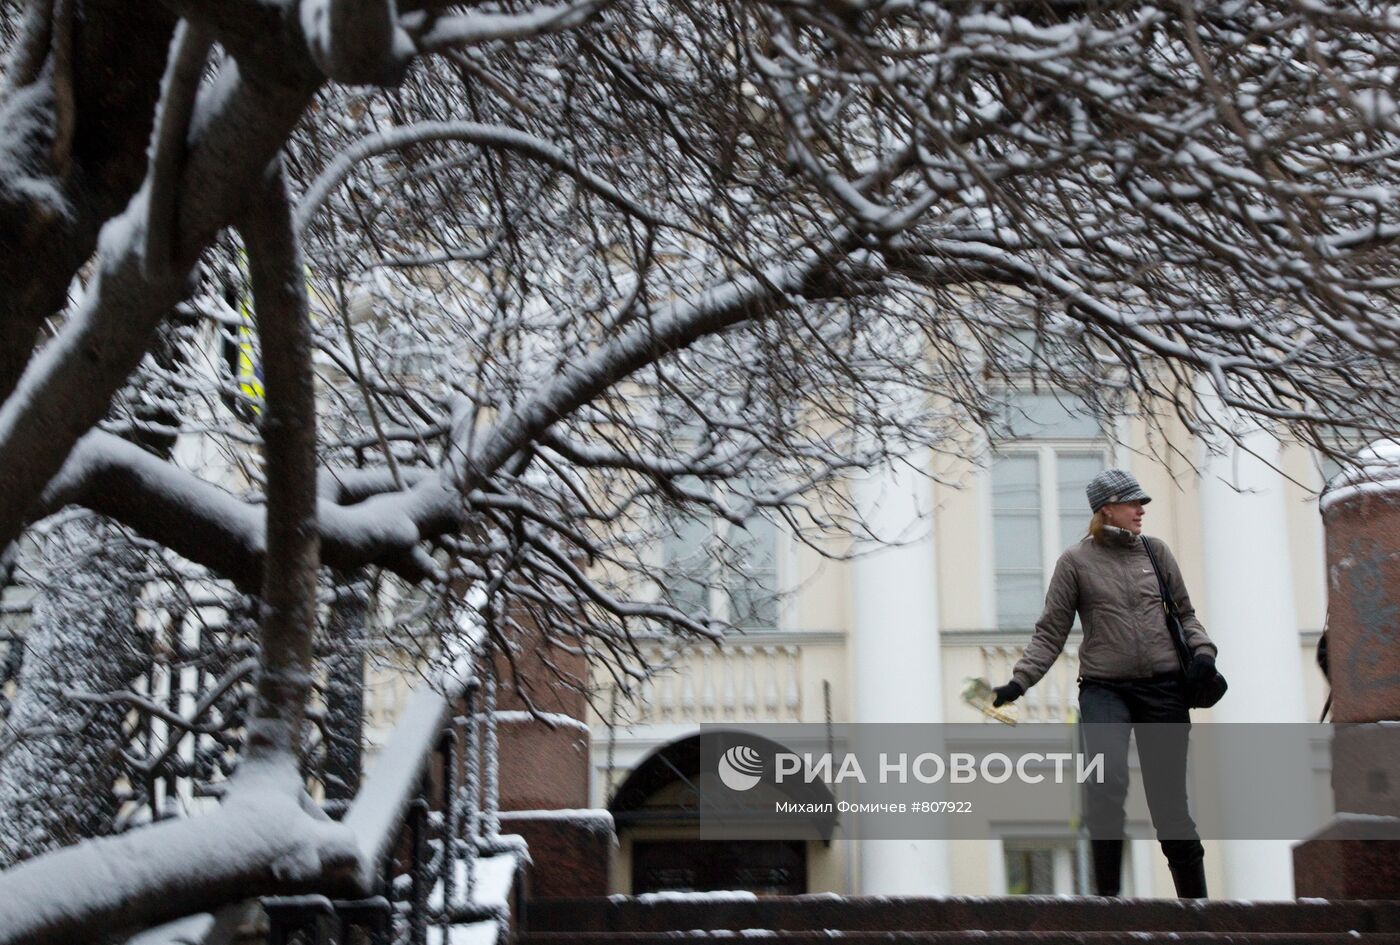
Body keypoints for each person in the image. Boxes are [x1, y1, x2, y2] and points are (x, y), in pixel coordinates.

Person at [991, 468, 1217, 899]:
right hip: (1104, 689)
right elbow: (1050, 632)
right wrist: (1019, 683)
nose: (1141, 510)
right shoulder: (1075, 562)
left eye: (1142, 503)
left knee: (1170, 805)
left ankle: (1197, 908)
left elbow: (1185, 614)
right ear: (1106, 509)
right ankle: (1106, 905)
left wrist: (1204, 653)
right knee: (1105, 781)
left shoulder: (1156, 553)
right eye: (1133, 503)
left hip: (1164, 690)